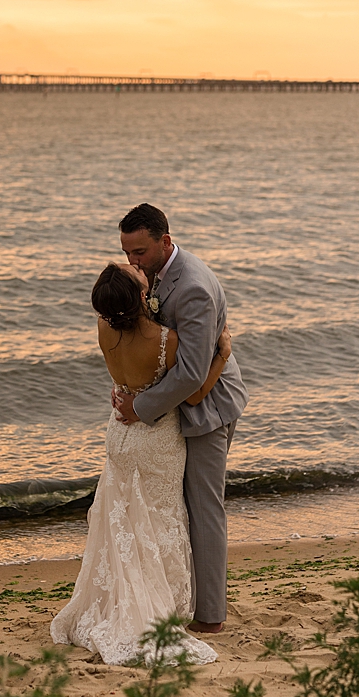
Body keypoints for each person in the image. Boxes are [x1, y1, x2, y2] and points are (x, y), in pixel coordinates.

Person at [51, 261, 232, 665]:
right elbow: (194, 394)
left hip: (118, 434)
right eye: (135, 276)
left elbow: (122, 380)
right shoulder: (166, 339)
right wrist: (222, 355)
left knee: (126, 520)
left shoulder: (103, 328)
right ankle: (162, 604)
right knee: (161, 517)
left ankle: (118, 596)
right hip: (156, 439)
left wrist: (128, 397)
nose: (138, 270)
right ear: (138, 298)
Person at [111, 203, 246, 633]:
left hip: (208, 409)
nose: (134, 262)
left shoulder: (192, 288)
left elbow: (191, 371)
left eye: (141, 252)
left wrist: (140, 407)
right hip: (177, 408)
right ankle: (181, 599)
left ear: (164, 242)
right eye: (127, 253)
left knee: (204, 508)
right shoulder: (153, 275)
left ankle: (210, 616)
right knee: (177, 506)